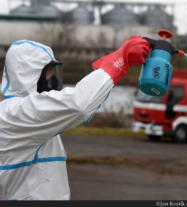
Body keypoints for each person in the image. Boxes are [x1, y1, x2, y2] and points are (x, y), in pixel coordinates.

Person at [0, 36, 150, 200]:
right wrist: (121, 59)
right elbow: (79, 105)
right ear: (29, 74)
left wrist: (106, 72)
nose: (54, 78)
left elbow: (81, 112)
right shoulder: (18, 113)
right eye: (49, 72)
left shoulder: (30, 114)